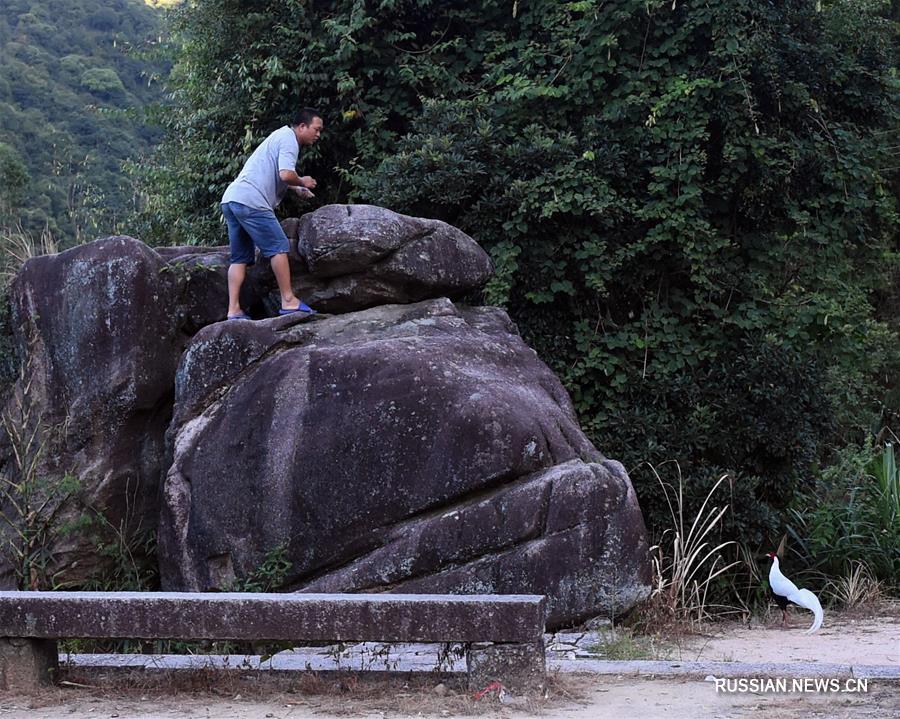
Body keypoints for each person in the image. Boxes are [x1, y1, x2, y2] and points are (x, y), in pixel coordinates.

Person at [221, 108, 324, 320]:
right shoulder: (289, 140)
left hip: (232, 199)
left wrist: (297, 189)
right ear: (302, 126)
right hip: (252, 201)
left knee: (239, 257)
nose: (318, 134)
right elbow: (286, 174)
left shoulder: (278, 136)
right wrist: (302, 180)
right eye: (316, 129)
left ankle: (233, 310)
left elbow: (275, 174)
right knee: (278, 247)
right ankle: (288, 301)